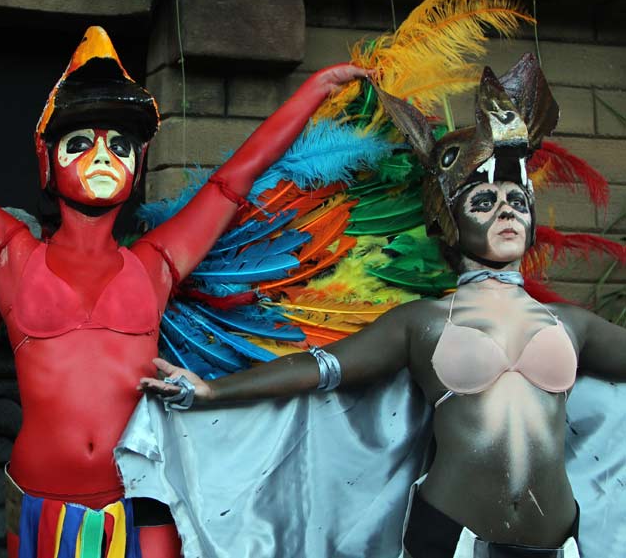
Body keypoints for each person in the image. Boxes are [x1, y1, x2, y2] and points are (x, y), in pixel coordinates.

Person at [0, 16, 365, 558]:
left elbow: (238, 177)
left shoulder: (158, 263)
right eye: (80, 142)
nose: (102, 156)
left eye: (120, 144)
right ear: (47, 162)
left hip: (143, 498)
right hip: (40, 507)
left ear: (136, 167)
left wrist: (314, 91)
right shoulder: (10, 255)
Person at [137, 55, 626, 557]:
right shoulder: (424, 322)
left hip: (559, 546)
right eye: (483, 201)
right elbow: (322, 368)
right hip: (451, 542)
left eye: (517, 200)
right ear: (447, 221)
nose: (505, 209)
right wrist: (213, 392)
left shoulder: (572, 326)